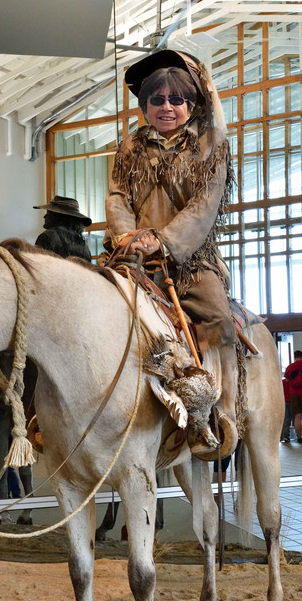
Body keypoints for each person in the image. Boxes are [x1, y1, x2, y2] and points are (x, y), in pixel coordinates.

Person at [105, 48, 238, 458]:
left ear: (191, 104)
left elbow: (205, 204)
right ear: (145, 106)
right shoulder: (129, 148)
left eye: (177, 99)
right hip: (133, 257)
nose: (167, 107)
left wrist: (163, 241)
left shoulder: (209, 145)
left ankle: (224, 412)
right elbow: (117, 198)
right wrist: (128, 238)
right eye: (157, 100)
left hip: (190, 259)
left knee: (216, 313)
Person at [34, 195, 92, 261]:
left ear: (56, 216)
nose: (44, 216)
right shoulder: (83, 245)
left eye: (48, 213)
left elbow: (38, 266)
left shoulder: (47, 237)